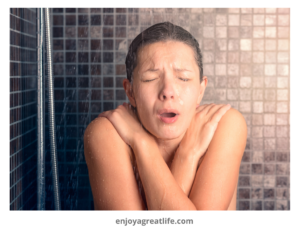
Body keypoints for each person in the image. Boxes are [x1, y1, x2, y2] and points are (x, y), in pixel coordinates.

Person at [84, 22, 247, 210]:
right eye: (150, 79)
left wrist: (188, 153)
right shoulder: (106, 133)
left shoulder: (222, 124)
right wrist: (143, 143)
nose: (168, 91)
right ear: (131, 92)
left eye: (183, 78)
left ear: (201, 90)